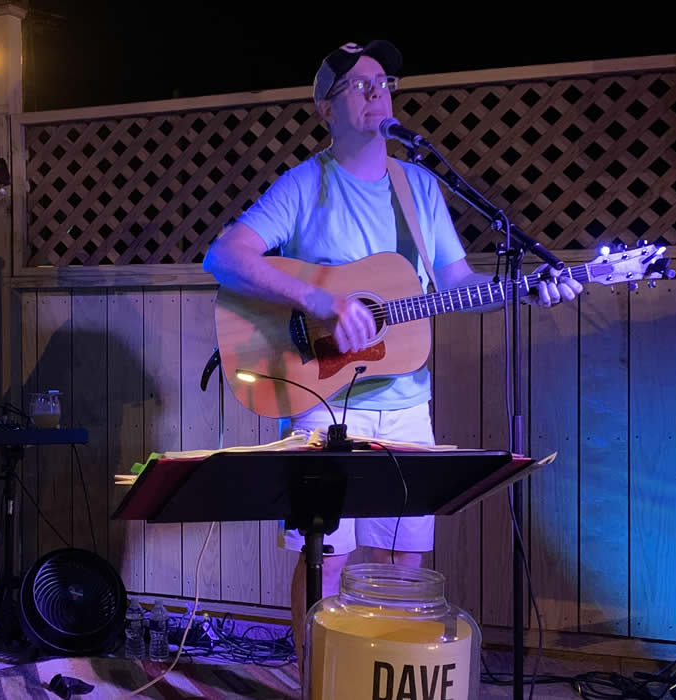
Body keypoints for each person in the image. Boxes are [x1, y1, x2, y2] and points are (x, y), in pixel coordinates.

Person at [201, 41, 583, 671]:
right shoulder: (306, 185)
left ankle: (385, 675)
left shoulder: (420, 188)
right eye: (359, 83)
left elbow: (457, 284)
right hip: (322, 402)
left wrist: (525, 290)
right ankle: (316, 678)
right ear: (327, 105)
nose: (378, 91)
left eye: (384, 80)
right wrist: (319, 303)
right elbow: (225, 256)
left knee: (405, 557)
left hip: (406, 401)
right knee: (327, 553)